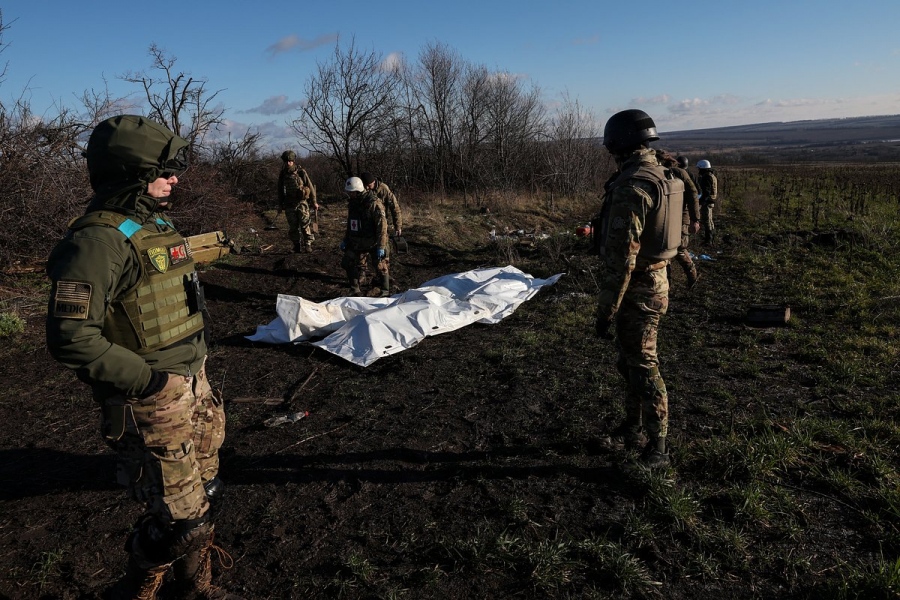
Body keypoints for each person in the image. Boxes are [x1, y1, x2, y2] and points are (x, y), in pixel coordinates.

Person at [45, 115, 242, 599]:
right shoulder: (95, 242)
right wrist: (150, 383)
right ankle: (135, 587)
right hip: (155, 400)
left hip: (194, 387)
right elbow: (71, 336)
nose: (175, 177)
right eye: (164, 168)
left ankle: (195, 589)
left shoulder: (151, 223)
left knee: (203, 500)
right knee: (180, 519)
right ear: (130, 171)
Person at [593, 109, 684, 468]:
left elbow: (622, 260)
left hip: (639, 288)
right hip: (654, 280)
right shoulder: (664, 174)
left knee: (644, 364)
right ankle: (633, 427)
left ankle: (658, 446)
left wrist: (606, 310)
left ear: (618, 143)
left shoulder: (634, 186)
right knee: (629, 360)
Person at [340, 176, 390, 296]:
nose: (349, 194)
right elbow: (350, 224)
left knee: (381, 266)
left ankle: (385, 290)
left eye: (351, 192)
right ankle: (355, 289)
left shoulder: (374, 203)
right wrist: (346, 240)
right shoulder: (353, 204)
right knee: (347, 261)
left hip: (373, 241)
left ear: (357, 191)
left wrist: (381, 245)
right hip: (357, 241)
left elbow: (382, 226)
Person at [658, 151, 702, 289]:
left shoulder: (679, 173)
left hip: (680, 218)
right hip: (665, 218)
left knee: (680, 250)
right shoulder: (658, 173)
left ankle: (692, 277)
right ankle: (667, 283)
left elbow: (693, 194)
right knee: (665, 252)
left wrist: (695, 219)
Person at [277, 150, 318, 253]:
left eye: (290, 161)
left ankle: (308, 244)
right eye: (286, 161)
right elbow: (280, 190)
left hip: (301, 203)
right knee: (293, 226)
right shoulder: (283, 174)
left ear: (293, 161)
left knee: (305, 224)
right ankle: (296, 245)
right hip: (289, 203)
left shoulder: (301, 172)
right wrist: (280, 204)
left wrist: (314, 201)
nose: (288, 163)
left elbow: (310, 186)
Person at [359, 171, 403, 237]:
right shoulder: (363, 189)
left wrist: (398, 226)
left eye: (369, 185)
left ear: (373, 182)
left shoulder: (384, 189)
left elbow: (395, 207)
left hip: (381, 221)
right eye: (365, 185)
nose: (367, 188)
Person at [696, 159, 718, 245]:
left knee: (707, 220)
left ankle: (708, 240)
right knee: (709, 220)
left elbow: (706, 192)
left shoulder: (707, 177)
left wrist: (701, 202)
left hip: (707, 202)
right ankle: (711, 238)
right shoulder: (711, 175)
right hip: (710, 201)